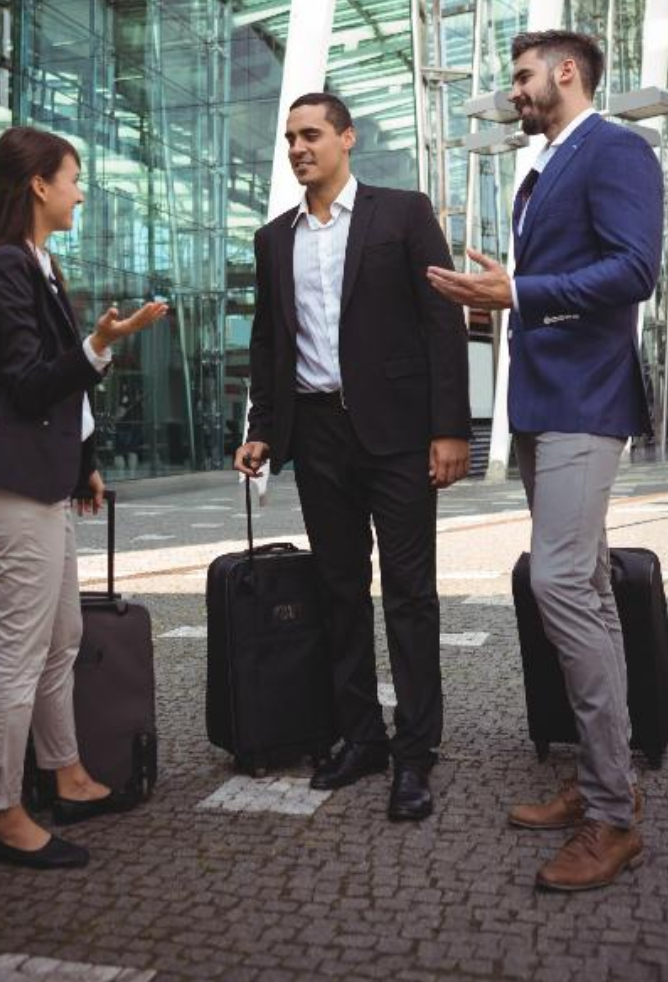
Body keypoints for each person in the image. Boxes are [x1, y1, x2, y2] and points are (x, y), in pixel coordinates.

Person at [426, 29, 663, 892]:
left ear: (567, 73)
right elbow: (565, 276)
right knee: (587, 586)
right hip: (546, 403)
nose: (514, 91)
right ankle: (607, 781)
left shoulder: (616, 149)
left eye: (522, 77)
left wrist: (517, 291)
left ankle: (612, 818)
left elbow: (636, 268)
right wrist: (505, 295)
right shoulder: (545, 167)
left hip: (586, 402)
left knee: (559, 582)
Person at [234, 92, 471, 822]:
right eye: (290, 138)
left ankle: (415, 752)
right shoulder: (274, 239)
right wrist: (264, 430)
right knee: (338, 588)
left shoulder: (403, 213)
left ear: (346, 137)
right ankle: (360, 734)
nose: (298, 147)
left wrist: (451, 428)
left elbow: (442, 321)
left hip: (399, 434)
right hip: (318, 433)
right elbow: (270, 345)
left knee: (409, 591)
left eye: (311, 134)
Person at [0, 125, 169, 870]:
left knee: (63, 638)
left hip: (45, 478)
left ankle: (67, 772)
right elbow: (27, 380)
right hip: (12, 485)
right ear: (39, 184)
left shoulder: (41, 264)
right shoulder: (1, 268)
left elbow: (59, 396)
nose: (82, 190)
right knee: (22, 652)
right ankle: (1, 810)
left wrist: (85, 463)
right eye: (74, 177)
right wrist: (99, 345)